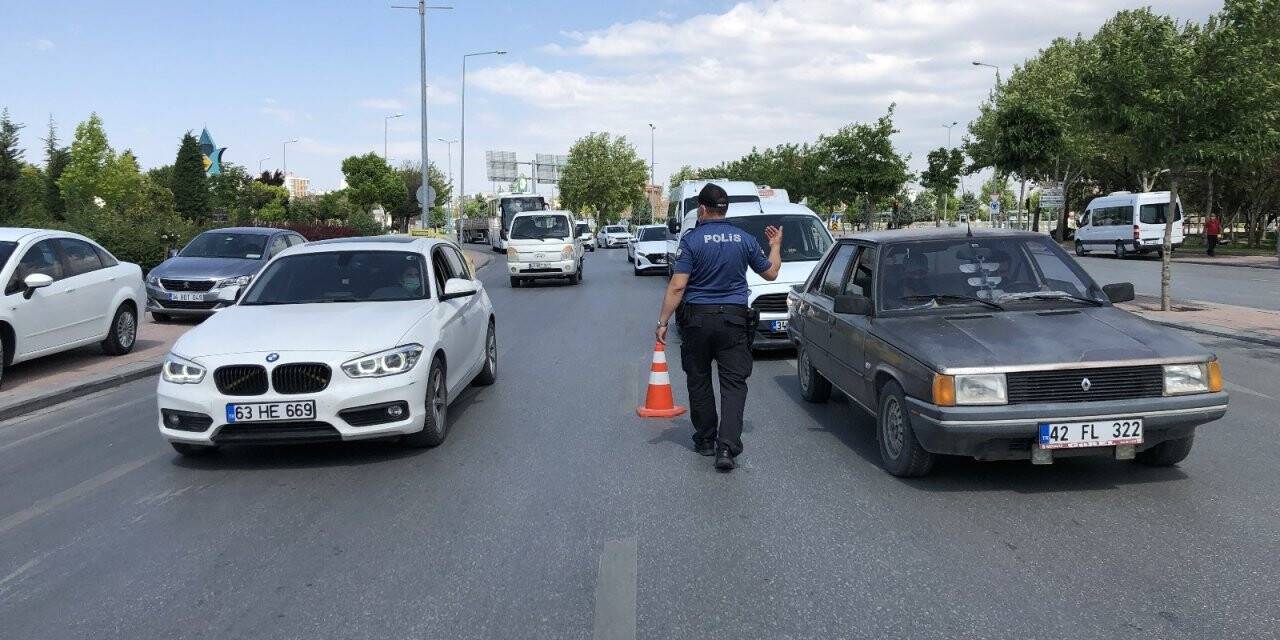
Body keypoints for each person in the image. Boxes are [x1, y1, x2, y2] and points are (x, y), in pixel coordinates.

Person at [655, 184, 782, 472]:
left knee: (698, 379)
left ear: (701, 209)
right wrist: (775, 246)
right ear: (724, 209)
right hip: (734, 320)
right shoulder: (744, 239)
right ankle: (727, 447)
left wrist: (662, 322)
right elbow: (771, 273)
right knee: (734, 384)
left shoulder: (691, 240)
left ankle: (705, 440)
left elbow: (678, 285)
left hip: (697, 321)